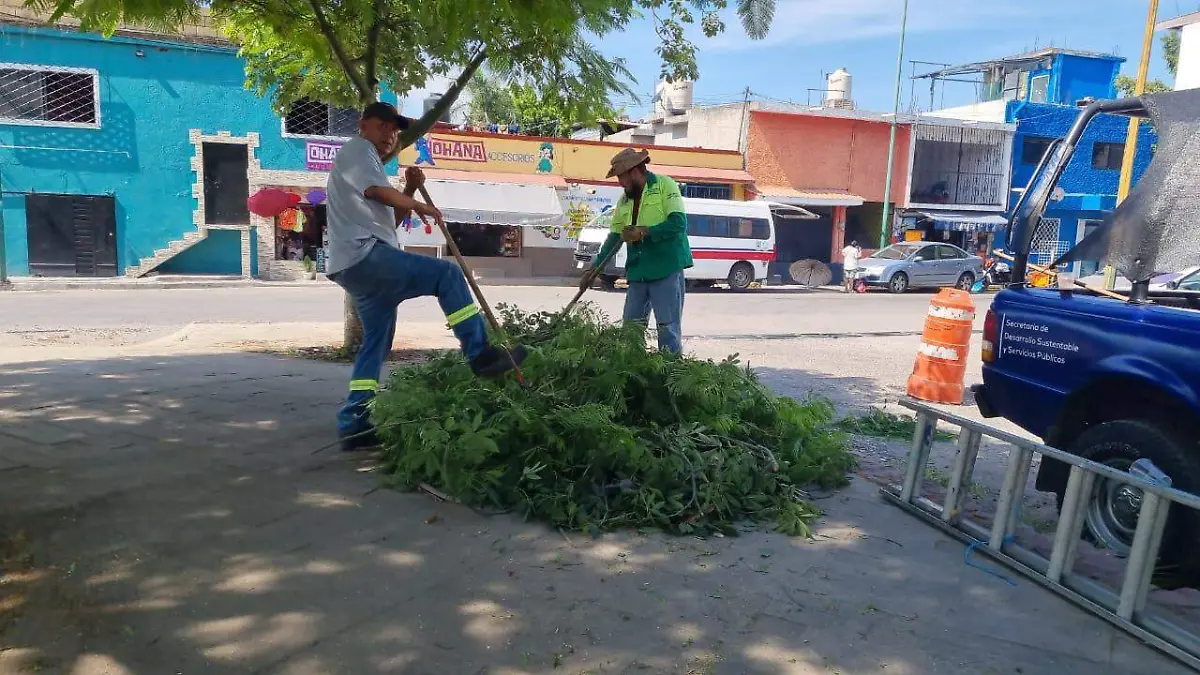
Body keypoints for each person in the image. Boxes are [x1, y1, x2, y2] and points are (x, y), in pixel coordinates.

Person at [325, 101, 527, 452]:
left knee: (375, 344)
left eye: (395, 129)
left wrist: (411, 190)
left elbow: (391, 222)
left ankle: (354, 423)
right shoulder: (358, 150)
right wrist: (422, 206)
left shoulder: (366, 162)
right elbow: (376, 193)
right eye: (384, 125)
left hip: (357, 265)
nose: (390, 133)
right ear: (363, 124)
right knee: (446, 275)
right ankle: (479, 354)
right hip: (366, 257)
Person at [583, 148, 692, 353]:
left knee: (667, 329)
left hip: (665, 268)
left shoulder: (664, 185)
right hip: (638, 271)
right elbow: (613, 238)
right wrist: (594, 269)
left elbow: (678, 223)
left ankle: (669, 375)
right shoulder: (624, 201)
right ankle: (635, 374)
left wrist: (645, 232)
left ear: (634, 171)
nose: (620, 183)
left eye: (621, 177)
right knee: (631, 330)